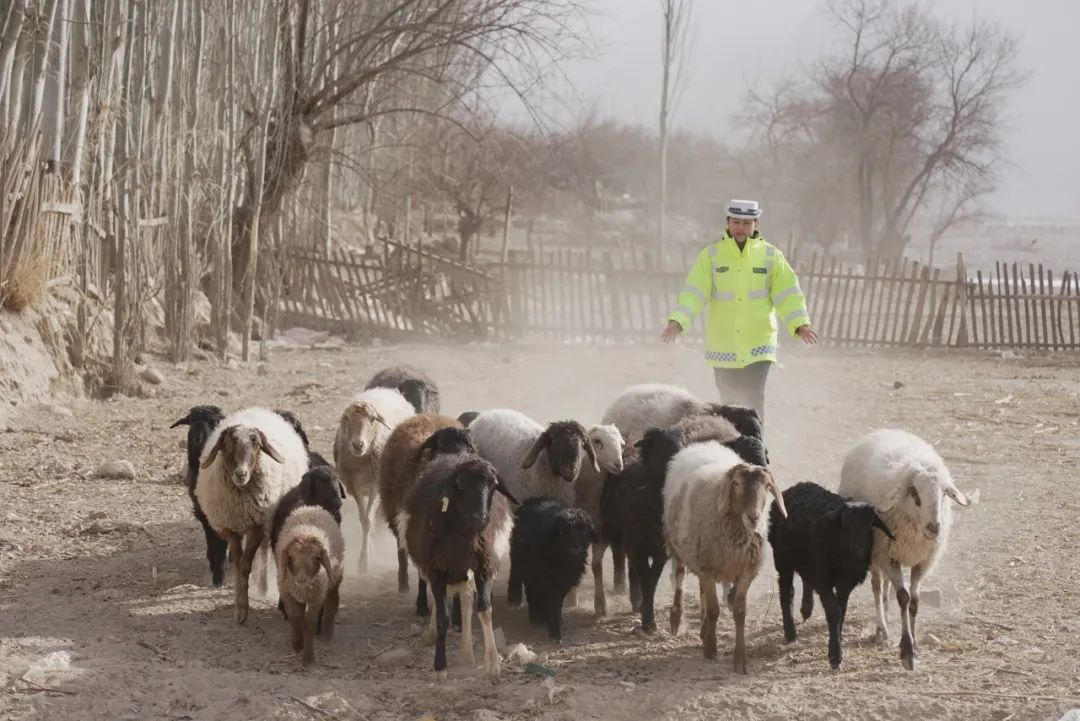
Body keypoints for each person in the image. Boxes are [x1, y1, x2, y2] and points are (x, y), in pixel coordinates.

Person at [661, 199, 818, 428]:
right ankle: (734, 443)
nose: (741, 227)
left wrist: (799, 324)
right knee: (729, 401)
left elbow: (788, 294)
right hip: (723, 344)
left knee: (753, 397)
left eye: (746, 222)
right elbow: (694, 293)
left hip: (759, 342)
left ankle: (756, 447)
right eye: (736, 222)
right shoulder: (711, 256)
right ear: (727, 223)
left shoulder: (771, 257)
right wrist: (678, 321)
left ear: (756, 223)